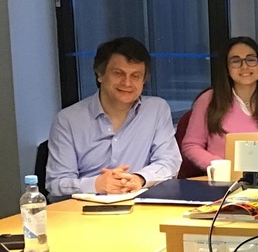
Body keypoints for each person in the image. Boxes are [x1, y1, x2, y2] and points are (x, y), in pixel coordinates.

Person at [46, 36, 181, 196]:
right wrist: (96, 184)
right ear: (100, 74)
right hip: (83, 211)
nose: (127, 83)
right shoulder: (68, 120)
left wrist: (139, 179)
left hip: (137, 206)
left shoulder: (156, 109)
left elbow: (169, 162)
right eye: (118, 73)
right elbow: (56, 183)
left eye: (136, 76)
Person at [181, 36, 258, 170]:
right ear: (227, 69)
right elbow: (191, 145)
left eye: (251, 60)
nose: (244, 66)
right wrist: (218, 165)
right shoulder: (209, 100)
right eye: (236, 61)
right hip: (224, 182)